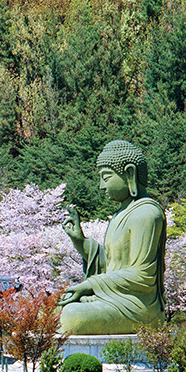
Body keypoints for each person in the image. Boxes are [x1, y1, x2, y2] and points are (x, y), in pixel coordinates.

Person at [58, 140, 166, 335]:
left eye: (106, 177)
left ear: (130, 173)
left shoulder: (147, 214)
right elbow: (110, 265)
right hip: (111, 297)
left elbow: (142, 275)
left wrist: (90, 285)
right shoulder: (119, 215)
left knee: (72, 316)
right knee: (49, 311)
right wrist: (81, 241)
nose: (101, 186)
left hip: (136, 305)